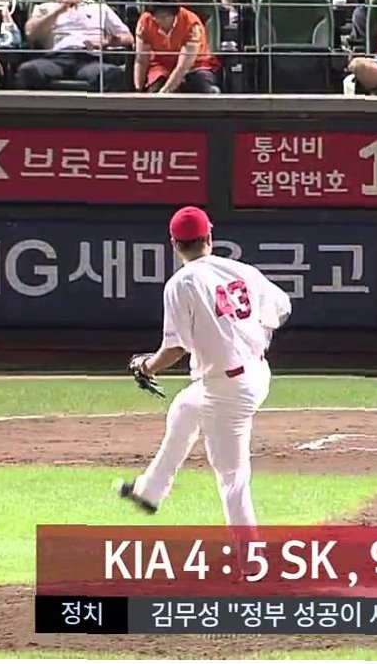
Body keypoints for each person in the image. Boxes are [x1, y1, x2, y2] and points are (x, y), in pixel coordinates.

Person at [116, 206, 293, 533]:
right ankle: (150, 490)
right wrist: (252, 336)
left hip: (228, 388)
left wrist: (147, 367)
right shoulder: (240, 270)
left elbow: (175, 349)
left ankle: (250, 555)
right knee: (184, 408)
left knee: (232, 478)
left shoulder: (180, 284)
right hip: (252, 373)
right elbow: (281, 309)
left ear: (174, 244)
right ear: (209, 236)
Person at [18, 0, 133, 91]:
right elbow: (30, 33)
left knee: (111, 74)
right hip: (56, 59)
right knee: (28, 71)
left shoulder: (98, 8)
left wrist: (106, 42)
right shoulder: (45, 8)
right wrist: (59, 10)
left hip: (89, 59)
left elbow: (128, 37)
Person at [134, 0, 222, 94]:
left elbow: (182, 67)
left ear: (174, 13)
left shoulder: (191, 24)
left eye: (163, 17)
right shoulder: (145, 22)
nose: (156, 20)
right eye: (154, 16)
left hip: (196, 65)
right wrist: (138, 90)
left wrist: (164, 93)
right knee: (153, 89)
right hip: (161, 66)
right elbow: (141, 60)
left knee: (203, 84)